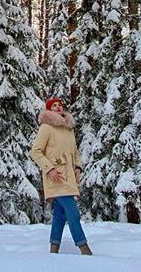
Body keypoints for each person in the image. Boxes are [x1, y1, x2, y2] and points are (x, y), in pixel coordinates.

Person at [30, 96, 92, 255]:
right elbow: (35, 151)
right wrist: (49, 169)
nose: (58, 107)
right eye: (54, 105)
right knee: (73, 213)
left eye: (60, 105)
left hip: (69, 177)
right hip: (55, 177)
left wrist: (78, 167)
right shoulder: (46, 127)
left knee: (60, 214)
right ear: (49, 109)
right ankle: (84, 249)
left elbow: (74, 151)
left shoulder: (68, 128)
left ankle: (54, 250)